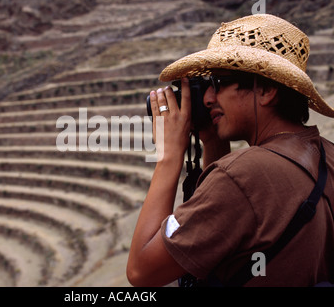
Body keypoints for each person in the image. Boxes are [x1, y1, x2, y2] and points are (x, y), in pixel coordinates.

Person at [126, 14, 334, 287]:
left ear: (267, 90)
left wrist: (168, 156)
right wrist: (213, 142)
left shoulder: (243, 174)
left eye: (219, 83)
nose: (209, 98)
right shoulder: (326, 154)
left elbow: (142, 273)